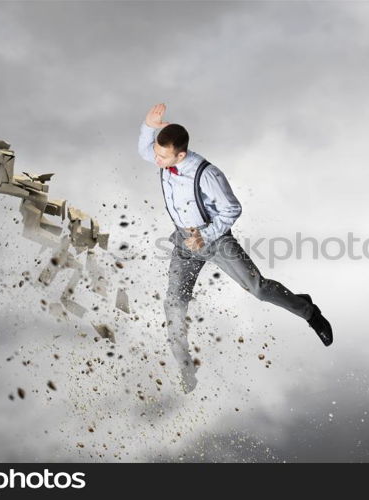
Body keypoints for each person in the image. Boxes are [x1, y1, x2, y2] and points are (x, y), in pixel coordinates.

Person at [137, 103, 332, 393]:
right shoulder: (161, 159)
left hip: (215, 241)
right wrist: (148, 125)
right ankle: (185, 367)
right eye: (156, 152)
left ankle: (308, 311)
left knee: (258, 289)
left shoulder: (206, 174)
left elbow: (231, 209)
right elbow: (145, 150)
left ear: (181, 154)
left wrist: (207, 236)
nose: (155, 159)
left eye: (162, 155)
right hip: (183, 243)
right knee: (174, 306)